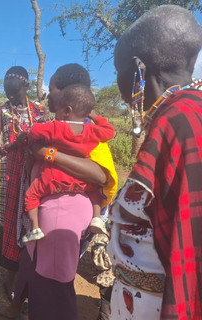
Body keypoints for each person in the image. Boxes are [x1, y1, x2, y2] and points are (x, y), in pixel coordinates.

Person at [0, 64, 117, 320]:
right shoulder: (57, 122)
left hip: (62, 212)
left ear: (67, 94)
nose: (48, 92)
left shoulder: (85, 127)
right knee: (30, 264)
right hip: (45, 206)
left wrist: (47, 153)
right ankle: (16, 307)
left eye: (53, 86)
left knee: (53, 285)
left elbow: (100, 175)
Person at [108, 5, 202, 319]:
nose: (117, 80)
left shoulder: (177, 123)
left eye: (117, 69)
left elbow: (187, 249)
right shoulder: (190, 113)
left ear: (137, 70)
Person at [23, 84, 114, 242]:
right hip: (81, 182)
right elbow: (109, 132)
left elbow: (34, 132)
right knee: (95, 191)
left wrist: (41, 127)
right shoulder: (92, 131)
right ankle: (97, 217)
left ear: (67, 110)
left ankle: (35, 228)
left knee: (31, 196)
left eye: (57, 110)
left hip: (51, 178)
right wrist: (95, 116)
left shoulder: (56, 127)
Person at [0, 66, 38, 298]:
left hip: (34, 175)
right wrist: (12, 145)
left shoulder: (39, 111)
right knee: (9, 221)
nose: (10, 96)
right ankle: (11, 277)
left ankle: (29, 275)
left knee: (31, 219)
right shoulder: (0, 111)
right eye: (7, 92)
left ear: (26, 87)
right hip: (10, 177)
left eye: (14, 92)